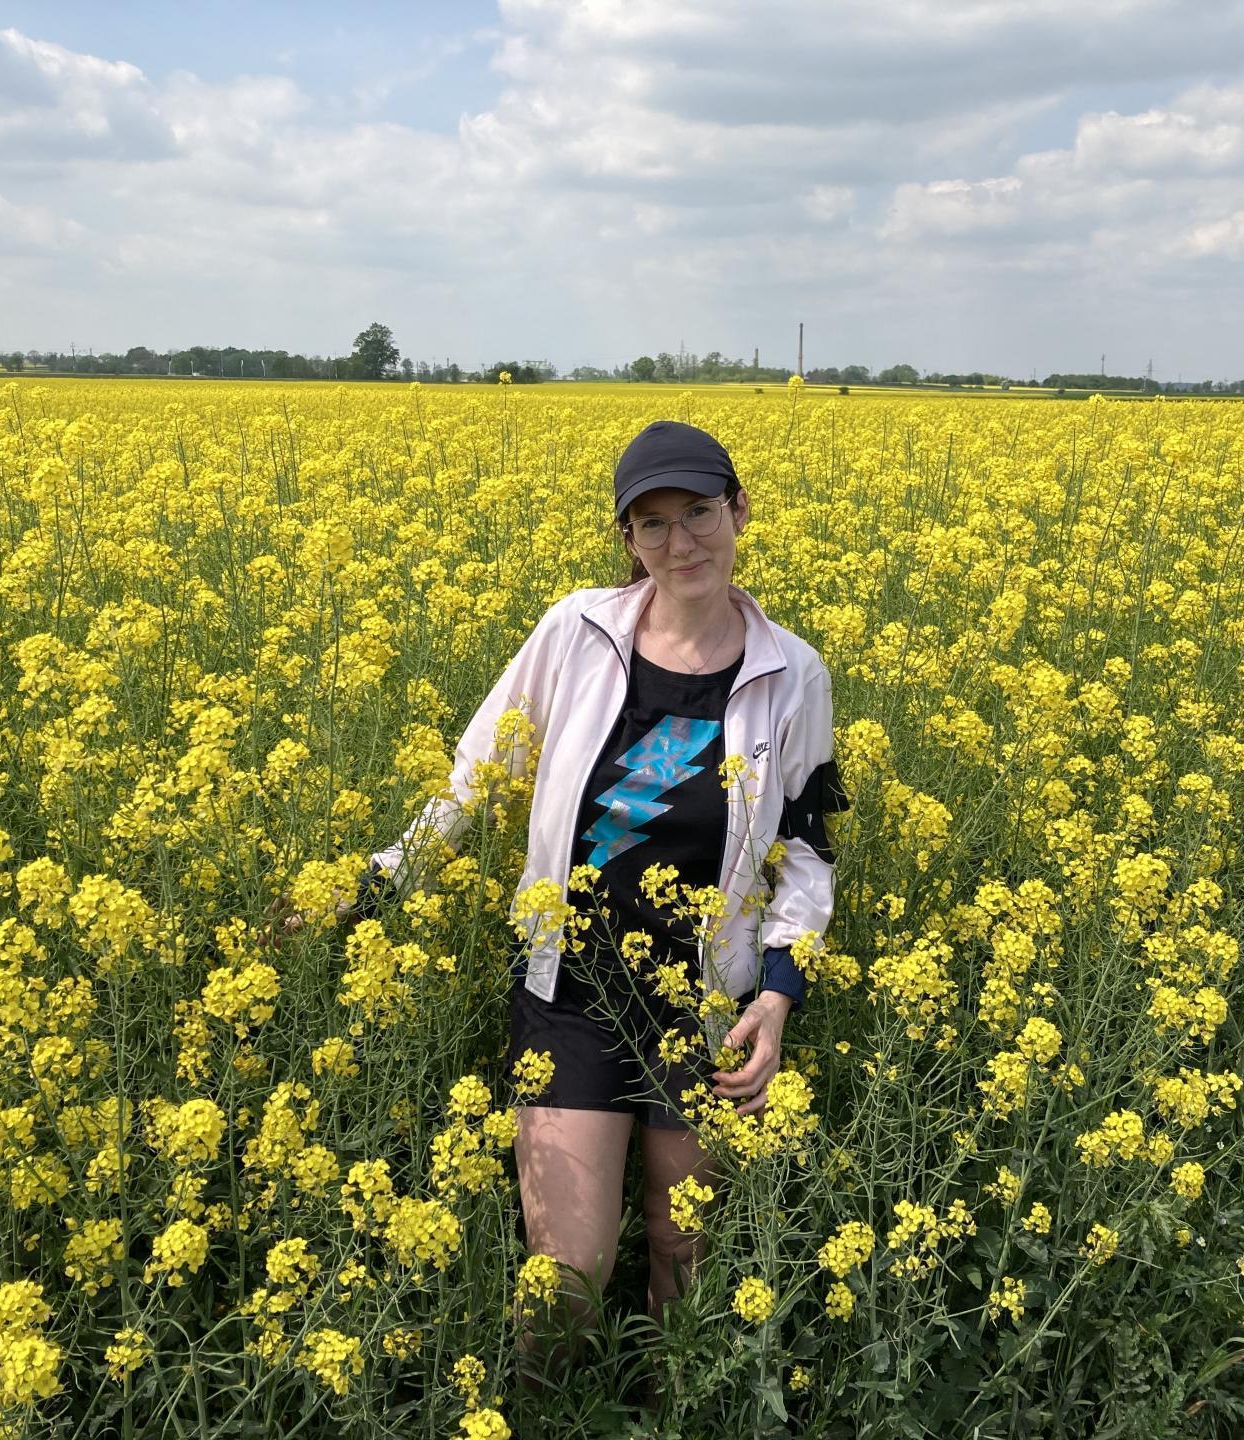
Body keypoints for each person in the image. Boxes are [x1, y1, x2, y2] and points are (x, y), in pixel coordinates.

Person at [274, 419, 850, 1376]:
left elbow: (807, 850)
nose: (682, 542)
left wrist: (779, 994)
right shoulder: (575, 631)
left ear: (739, 512)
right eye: (653, 523)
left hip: (704, 1003)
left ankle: (676, 1412)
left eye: (700, 514)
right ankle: (544, 1410)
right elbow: (474, 780)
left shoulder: (793, 673)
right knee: (567, 1283)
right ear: (627, 538)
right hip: (570, 989)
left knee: (684, 1254)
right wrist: (368, 885)